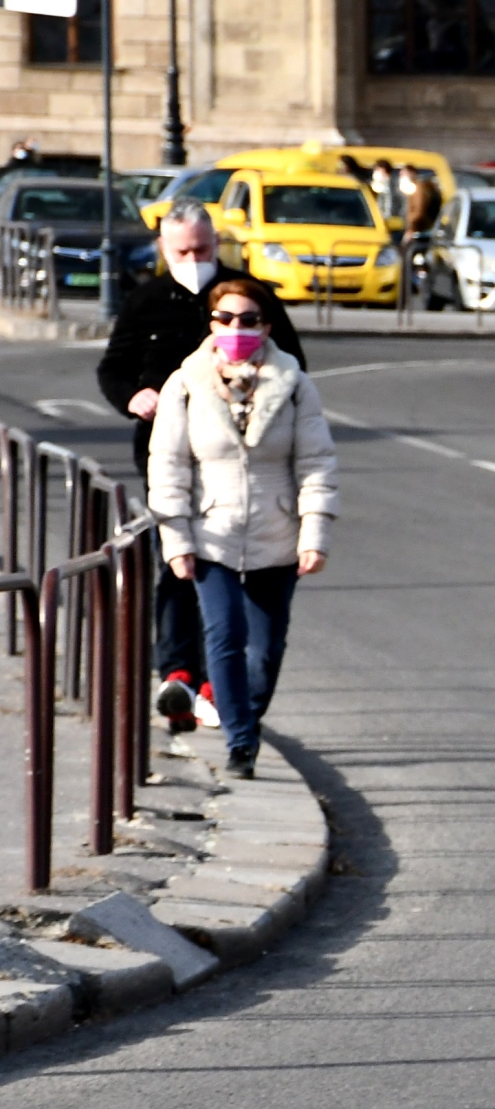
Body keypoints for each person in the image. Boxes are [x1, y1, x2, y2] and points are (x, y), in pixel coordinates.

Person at [97, 199, 309, 733]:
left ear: (218, 244)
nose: (195, 259)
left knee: (233, 573)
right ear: (165, 250)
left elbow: (295, 367)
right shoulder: (146, 300)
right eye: (183, 251)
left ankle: (219, 680)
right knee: (177, 561)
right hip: (167, 453)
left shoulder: (249, 298)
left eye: (204, 249)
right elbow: (114, 367)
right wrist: (133, 397)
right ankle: (179, 672)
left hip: (242, 458)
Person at [146, 278, 338, 780]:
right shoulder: (185, 384)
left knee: (266, 649)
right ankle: (240, 742)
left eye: (249, 320)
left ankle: (244, 717)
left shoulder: (293, 384)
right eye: (226, 319)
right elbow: (167, 466)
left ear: (267, 326)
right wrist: (176, 540)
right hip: (212, 530)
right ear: (211, 324)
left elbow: (316, 463)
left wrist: (313, 534)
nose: (237, 328)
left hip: (277, 533)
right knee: (224, 633)